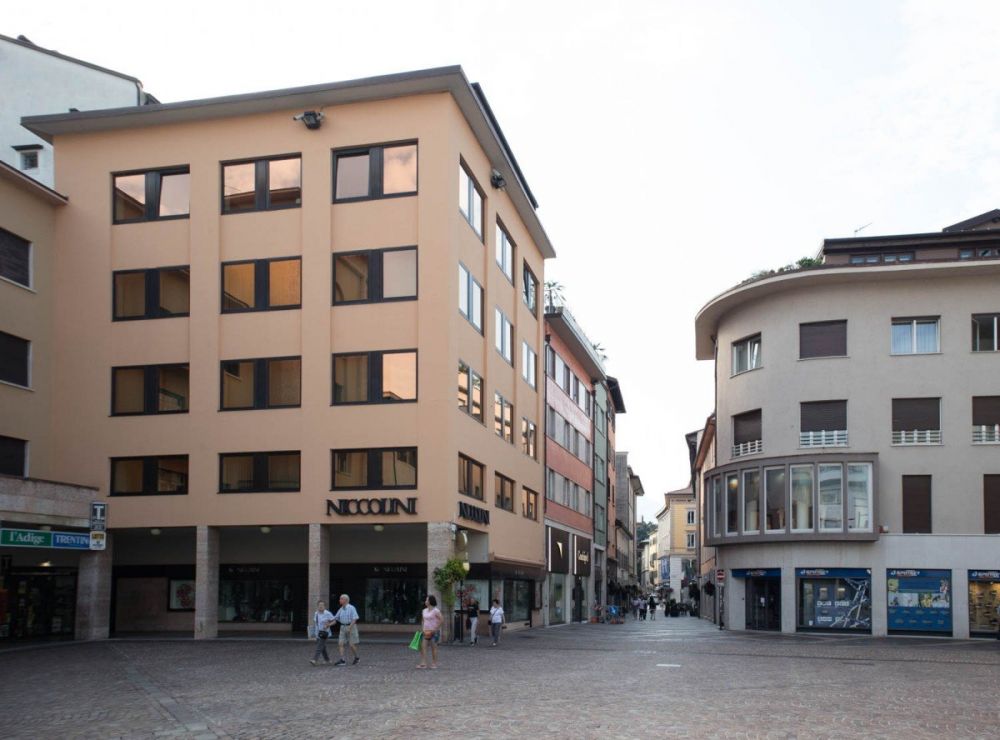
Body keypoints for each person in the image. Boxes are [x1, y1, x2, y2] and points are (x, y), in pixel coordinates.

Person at [332, 593, 360, 666]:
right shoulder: (341, 609)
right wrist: (328, 624)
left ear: (346, 600)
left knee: (351, 644)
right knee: (340, 643)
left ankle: (356, 657)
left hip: (351, 627)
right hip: (342, 627)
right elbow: (335, 618)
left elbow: (355, 618)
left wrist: (350, 627)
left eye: (341, 599)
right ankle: (342, 660)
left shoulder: (351, 608)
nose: (339, 600)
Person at [418, 594, 443, 669]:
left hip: (434, 632)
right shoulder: (424, 610)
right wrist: (422, 628)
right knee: (423, 647)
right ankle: (423, 663)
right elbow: (423, 620)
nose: (425, 601)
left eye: (427, 600)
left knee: (433, 648)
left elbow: (441, 620)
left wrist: (436, 629)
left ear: (430, 601)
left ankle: (434, 663)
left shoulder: (436, 611)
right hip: (425, 631)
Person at [310, 599, 334, 666]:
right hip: (318, 632)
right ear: (317, 606)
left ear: (324, 606)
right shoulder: (316, 613)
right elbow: (315, 623)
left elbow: (334, 621)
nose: (321, 606)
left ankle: (314, 660)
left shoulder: (328, 613)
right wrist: (312, 631)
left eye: (322, 605)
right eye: (319, 605)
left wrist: (328, 625)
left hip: (325, 633)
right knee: (323, 647)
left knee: (319, 646)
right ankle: (327, 660)